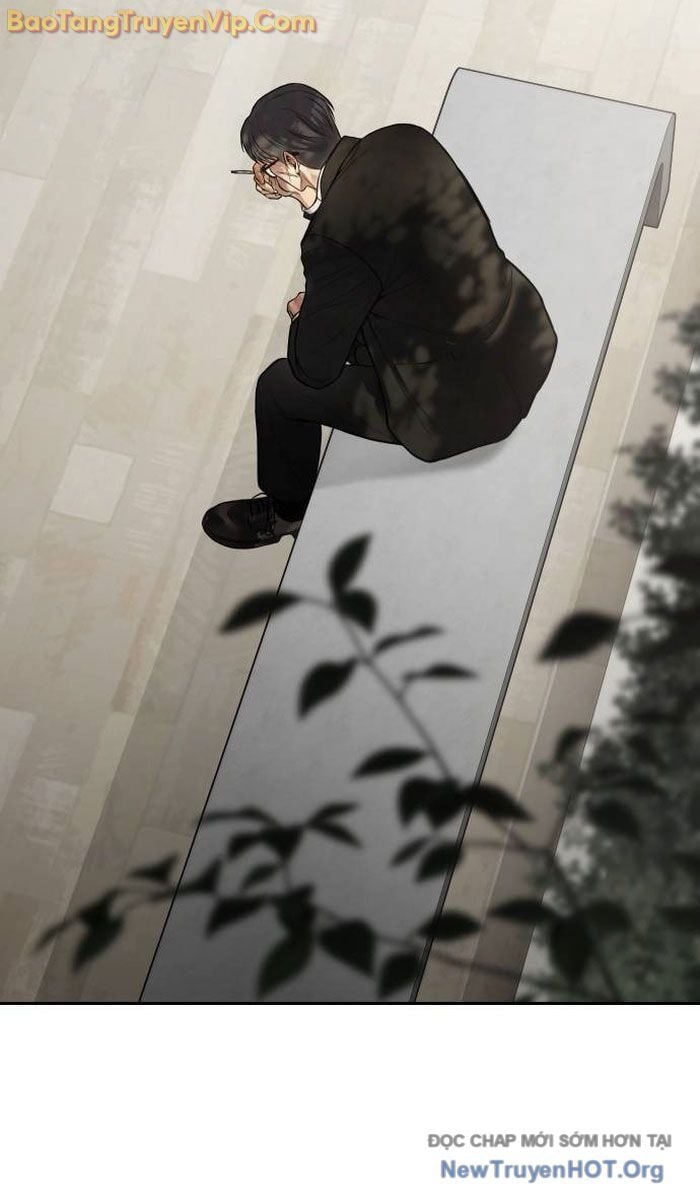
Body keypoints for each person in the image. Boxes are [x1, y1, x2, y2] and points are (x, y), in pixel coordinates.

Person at [203, 83, 557, 550]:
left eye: (267, 166)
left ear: (288, 164)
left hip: (461, 409)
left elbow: (313, 370)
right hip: (523, 334)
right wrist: (317, 207)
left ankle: (288, 513)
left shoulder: (332, 239)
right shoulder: (404, 139)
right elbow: (387, 239)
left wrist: (307, 308)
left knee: (278, 387)